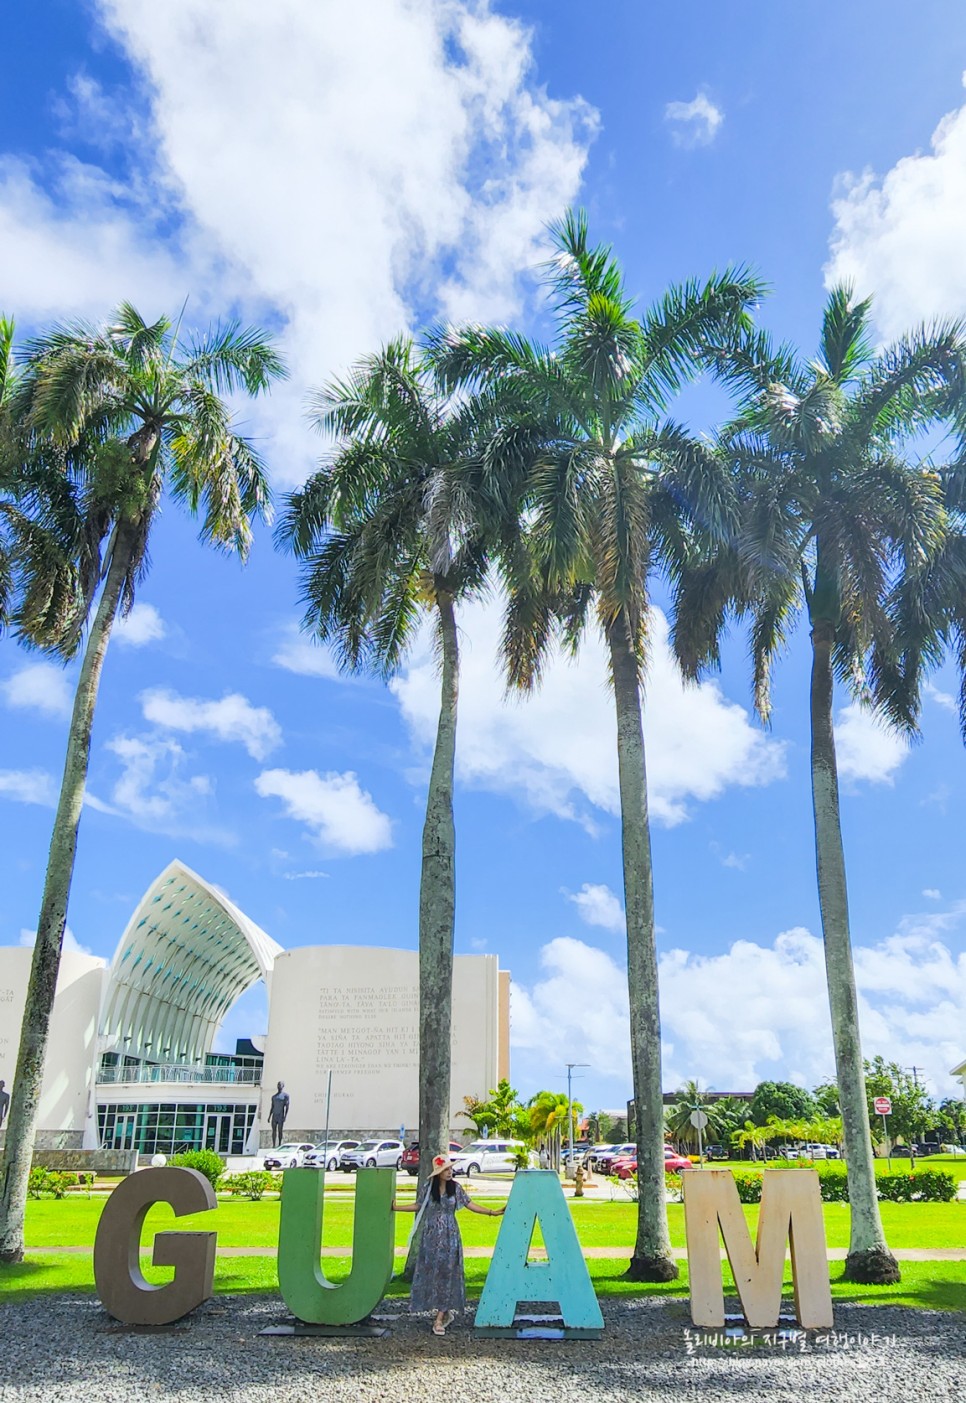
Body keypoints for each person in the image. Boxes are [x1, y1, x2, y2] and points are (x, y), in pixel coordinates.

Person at [393, 1153, 505, 1335]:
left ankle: (439, 1318)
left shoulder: (456, 1188)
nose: (449, 1172)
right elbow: (418, 1205)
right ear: (438, 1173)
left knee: (447, 1272)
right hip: (431, 1237)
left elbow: (470, 1204)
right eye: (445, 1169)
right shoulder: (429, 1188)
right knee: (434, 1272)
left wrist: (492, 1212)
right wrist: (397, 1208)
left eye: (450, 1168)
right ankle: (443, 1312)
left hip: (450, 1236)